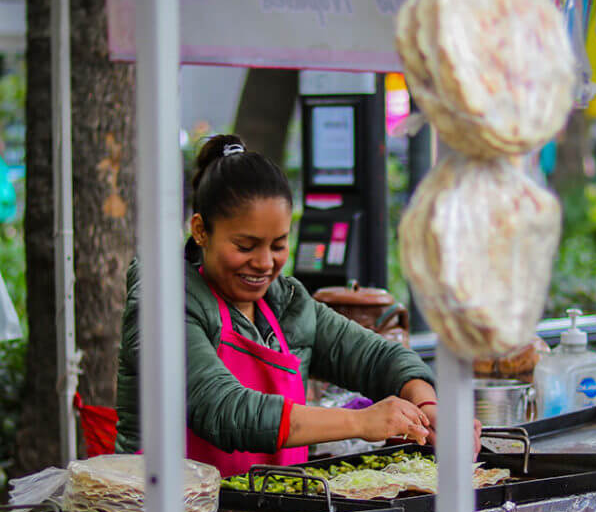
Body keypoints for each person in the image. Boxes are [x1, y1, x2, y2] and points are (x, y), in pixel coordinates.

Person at [116, 135, 479, 477]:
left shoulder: (287, 304)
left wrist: (429, 410)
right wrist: (361, 422)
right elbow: (222, 409)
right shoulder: (162, 301)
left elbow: (379, 358)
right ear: (200, 231)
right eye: (245, 246)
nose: (263, 263)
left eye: (277, 245)